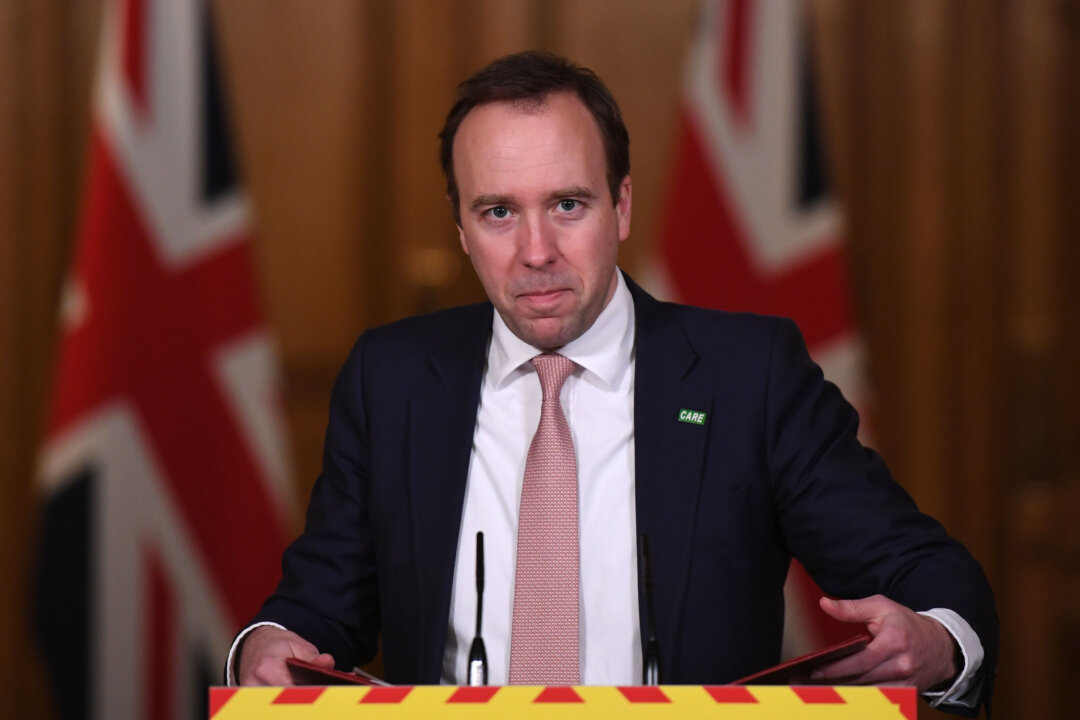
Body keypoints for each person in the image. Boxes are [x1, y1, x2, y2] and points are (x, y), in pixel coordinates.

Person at [229, 51, 997, 715]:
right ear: (461, 229)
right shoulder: (391, 378)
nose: (536, 250)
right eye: (499, 212)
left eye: (568, 204)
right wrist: (259, 652)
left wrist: (937, 641)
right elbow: (314, 614)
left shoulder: (748, 377)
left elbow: (930, 576)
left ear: (621, 206)